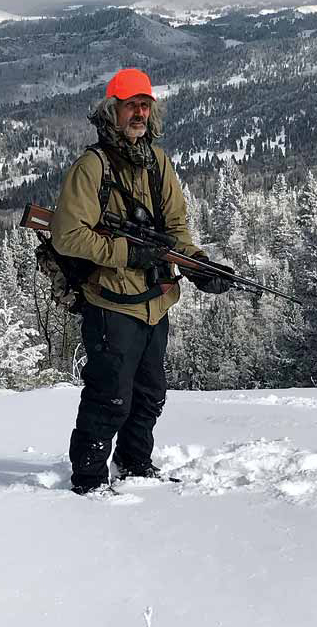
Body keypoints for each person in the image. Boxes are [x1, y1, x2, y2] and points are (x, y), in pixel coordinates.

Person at [50, 68, 232, 495]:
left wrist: (199, 266)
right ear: (111, 110)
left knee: (150, 394)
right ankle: (89, 481)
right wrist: (126, 253)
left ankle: (134, 464)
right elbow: (67, 235)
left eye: (145, 105)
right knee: (109, 397)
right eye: (131, 104)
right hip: (111, 304)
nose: (139, 112)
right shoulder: (91, 167)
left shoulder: (158, 163)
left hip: (157, 300)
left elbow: (176, 229)